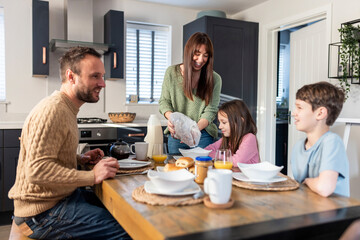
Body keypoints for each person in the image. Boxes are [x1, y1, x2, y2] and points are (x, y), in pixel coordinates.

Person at [8, 47, 130, 239]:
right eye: (95, 76)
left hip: (58, 199)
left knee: (124, 210)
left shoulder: (66, 108)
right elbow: (37, 171)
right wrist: (92, 176)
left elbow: (51, 155)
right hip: (41, 213)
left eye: (102, 76)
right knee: (128, 230)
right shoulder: (53, 111)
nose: (102, 83)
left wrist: (80, 159)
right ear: (71, 77)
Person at [159, 32, 222, 154]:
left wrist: (193, 130)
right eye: (197, 54)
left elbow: (211, 110)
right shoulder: (172, 72)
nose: (200, 60)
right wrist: (173, 120)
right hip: (177, 134)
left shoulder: (215, 79)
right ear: (189, 52)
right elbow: (164, 102)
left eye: (205, 55)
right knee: (176, 169)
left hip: (202, 133)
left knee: (202, 170)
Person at [291, 81, 349, 197]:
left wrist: (307, 181)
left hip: (333, 213)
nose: (293, 113)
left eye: (299, 108)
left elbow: (324, 188)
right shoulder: (298, 146)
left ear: (320, 113)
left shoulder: (332, 142)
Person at [204, 99, 260, 165]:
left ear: (240, 122)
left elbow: (235, 162)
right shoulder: (228, 139)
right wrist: (224, 157)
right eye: (219, 122)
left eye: (224, 122)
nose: (219, 127)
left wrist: (217, 156)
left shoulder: (250, 138)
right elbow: (206, 151)